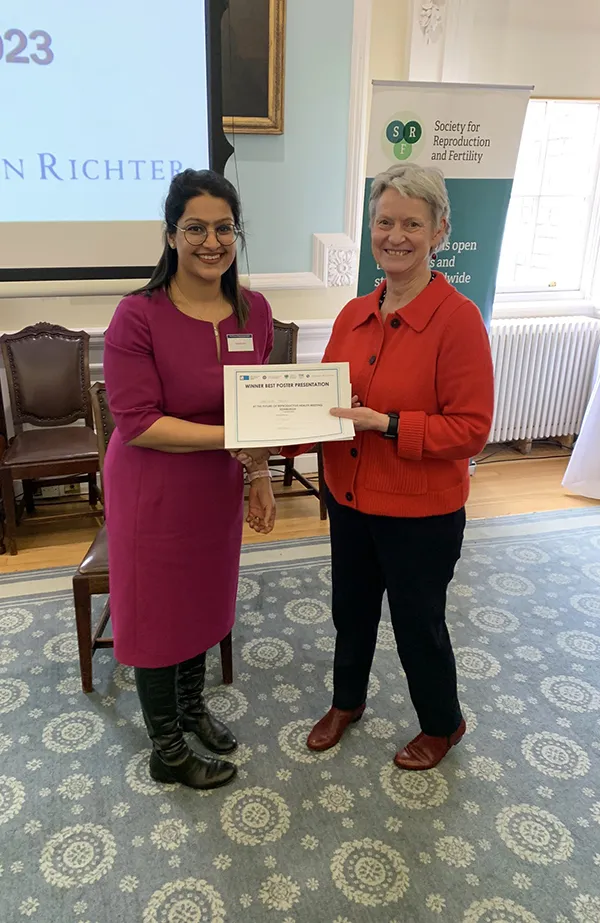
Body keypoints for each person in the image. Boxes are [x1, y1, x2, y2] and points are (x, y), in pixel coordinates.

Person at [237, 163, 494, 770]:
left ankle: (442, 723)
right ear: (371, 229)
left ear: (439, 232)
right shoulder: (353, 314)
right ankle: (346, 702)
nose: (395, 235)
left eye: (411, 223)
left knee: (417, 624)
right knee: (349, 612)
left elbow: (473, 430)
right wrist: (267, 441)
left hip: (421, 514)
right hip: (349, 500)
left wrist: (391, 423)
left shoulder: (459, 320)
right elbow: (323, 409)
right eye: (384, 222)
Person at [103, 169, 276, 790]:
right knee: (157, 615)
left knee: (203, 602)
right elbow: (137, 423)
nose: (212, 241)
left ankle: (193, 709)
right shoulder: (137, 315)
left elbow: (253, 404)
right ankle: (167, 749)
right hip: (153, 488)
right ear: (171, 235)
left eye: (224, 227)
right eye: (195, 228)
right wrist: (235, 443)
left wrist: (257, 473)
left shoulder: (254, 310)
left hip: (215, 491)